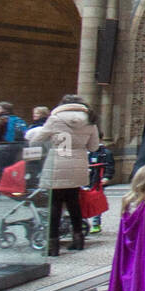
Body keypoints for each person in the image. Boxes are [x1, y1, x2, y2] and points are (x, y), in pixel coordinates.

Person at [28, 95, 101, 255]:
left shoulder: (55, 118)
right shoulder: (90, 119)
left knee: (55, 204)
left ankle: (53, 244)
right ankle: (78, 239)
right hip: (78, 164)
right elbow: (94, 146)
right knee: (74, 202)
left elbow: (37, 139)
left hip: (58, 161)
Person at [86, 138, 116, 234]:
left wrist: (106, 177)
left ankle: (96, 223)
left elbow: (110, 166)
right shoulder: (87, 152)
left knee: (96, 202)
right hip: (85, 180)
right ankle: (84, 222)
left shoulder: (105, 153)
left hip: (97, 181)